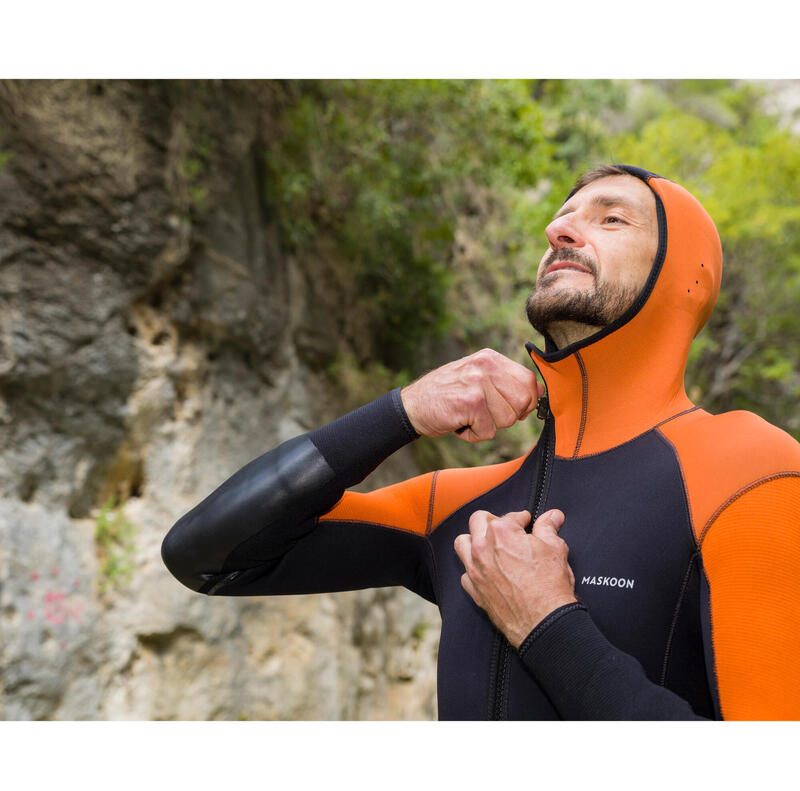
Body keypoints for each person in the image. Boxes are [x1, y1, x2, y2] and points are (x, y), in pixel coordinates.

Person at [161, 164, 800, 720]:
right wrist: (401, 411)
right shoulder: (462, 507)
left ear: (689, 279)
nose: (560, 231)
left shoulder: (749, 471)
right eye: (562, 217)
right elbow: (206, 555)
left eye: (612, 219)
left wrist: (548, 625)